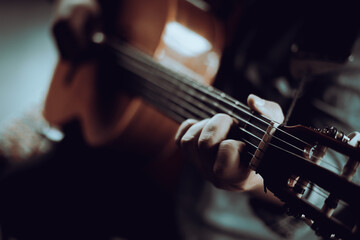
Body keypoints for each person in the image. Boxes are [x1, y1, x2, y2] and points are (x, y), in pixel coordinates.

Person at [1, 0, 360, 240]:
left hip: (196, 213)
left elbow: (324, 176)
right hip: (128, 126)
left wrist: (252, 181)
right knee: (15, 194)